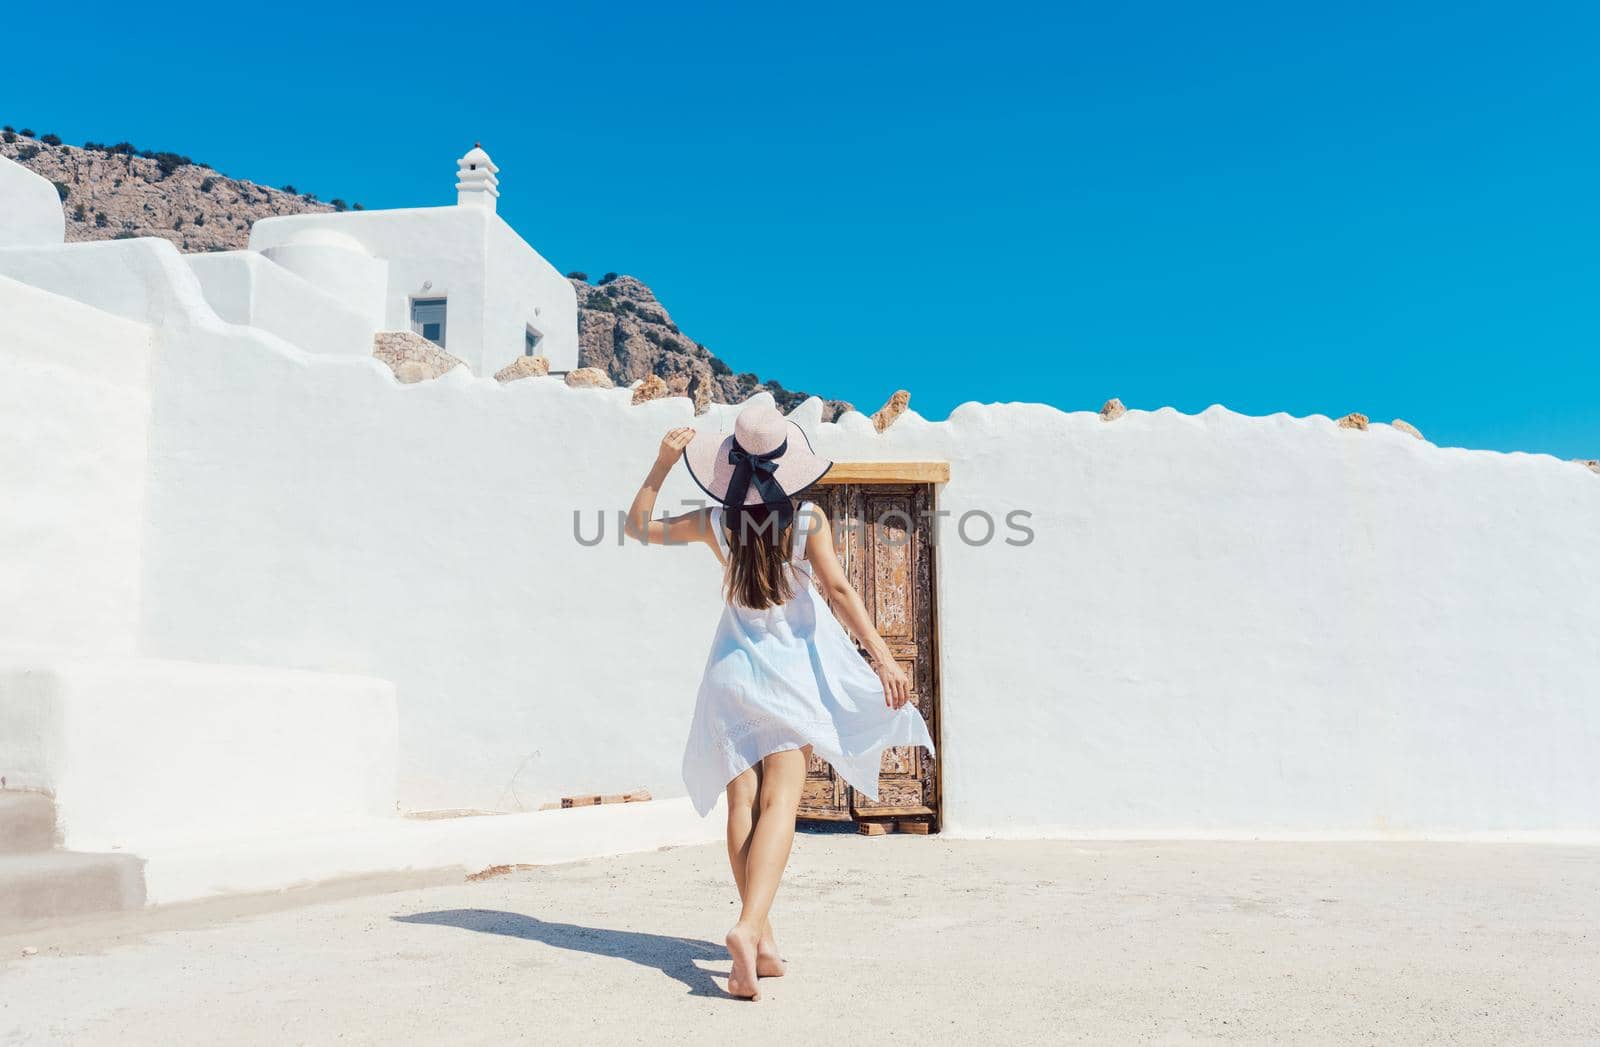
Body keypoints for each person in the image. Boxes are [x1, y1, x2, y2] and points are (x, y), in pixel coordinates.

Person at [623, 402, 936, 1001]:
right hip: (787, 679)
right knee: (781, 803)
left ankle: (762, 938)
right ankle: (747, 927)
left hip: (729, 677)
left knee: (742, 801)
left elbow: (639, 526)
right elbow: (840, 592)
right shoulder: (807, 521)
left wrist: (662, 464)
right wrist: (885, 658)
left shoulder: (716, 522)